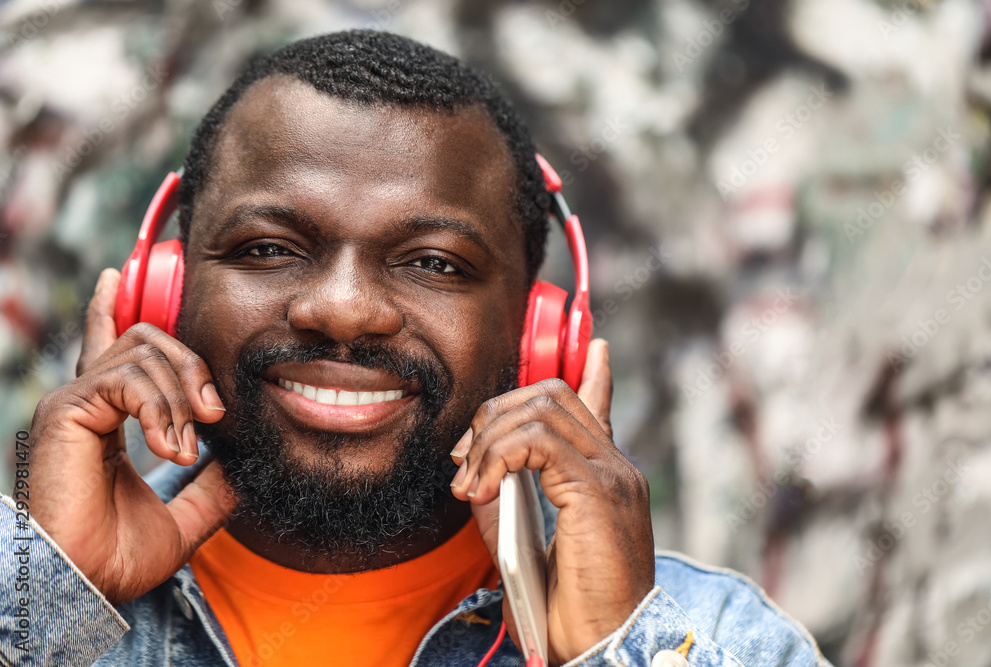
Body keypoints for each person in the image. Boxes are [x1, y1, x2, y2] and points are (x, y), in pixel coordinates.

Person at [0, 30, 831, 667]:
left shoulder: (723, 644)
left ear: (543, 339)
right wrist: (45, 608)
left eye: (434, 262)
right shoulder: (26, 607)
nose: (343, 309)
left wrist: (607, 650)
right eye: (267, 247)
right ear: (163, 294)